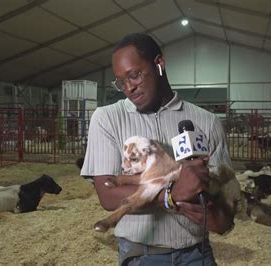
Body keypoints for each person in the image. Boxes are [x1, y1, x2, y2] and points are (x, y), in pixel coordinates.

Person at [81, 33, 233, 266]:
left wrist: (217, 218)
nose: (129, 88)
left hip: (197, 253)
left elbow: (225, 200)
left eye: (134, 75)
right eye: (121, 82)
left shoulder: (207, 122)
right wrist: (172, 196)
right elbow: (108, 195)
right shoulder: (108, 118)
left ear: (159, 64)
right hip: (142, 255)